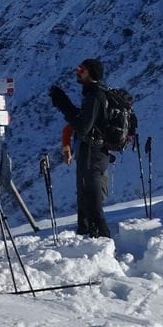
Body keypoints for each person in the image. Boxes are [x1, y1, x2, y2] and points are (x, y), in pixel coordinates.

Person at [48, 59, 112, 238]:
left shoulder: (95, 96)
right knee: (85, 196)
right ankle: (86, 234)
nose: (77, 72)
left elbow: (83, 127)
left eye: (81, 69)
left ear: (91, 73)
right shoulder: (93, 94)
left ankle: (103, 239)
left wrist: (63, 104)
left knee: (91, 198)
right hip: (91, 152)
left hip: (93, 153)